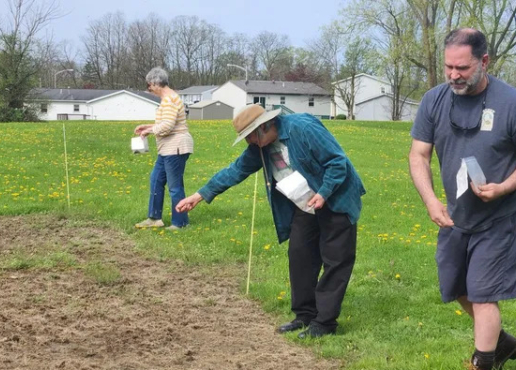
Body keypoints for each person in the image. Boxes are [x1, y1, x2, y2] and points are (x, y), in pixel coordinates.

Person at [409, 28, 516, 370]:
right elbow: (418, 154)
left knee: (484, 295)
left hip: (500, 218)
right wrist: (429, 200)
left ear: (484, 62)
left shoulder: (513, 103)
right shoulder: (434, 100)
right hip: (456, 216)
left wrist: (504, 187)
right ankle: (500, 344)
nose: (453, 74)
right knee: (457, 288)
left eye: (462, 67)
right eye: (448, 66)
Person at [176, 104, 366, 338]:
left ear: (264, 127)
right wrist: (199, 195)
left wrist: (324, 193)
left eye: (250, 137)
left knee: (335, 260)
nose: (249, 143)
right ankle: (304, 315)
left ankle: (324, 323)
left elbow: (338, 163)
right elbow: (236, 170)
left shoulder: (303, 127)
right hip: (305, 204)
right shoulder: (260, 146)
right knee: (300, 256)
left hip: (335, 199)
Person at [134, 67, 193, 230]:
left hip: (176, 148)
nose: (149, 90)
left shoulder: (169, 100)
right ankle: (154, 218)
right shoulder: (169, 99)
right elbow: (167, 122)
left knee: (175, 187)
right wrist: (148, 126)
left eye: (149, 86)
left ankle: (180, 222)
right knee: (156, 180)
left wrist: (149, 131)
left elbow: (167, 126)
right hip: (167, 149)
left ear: (154, 83)